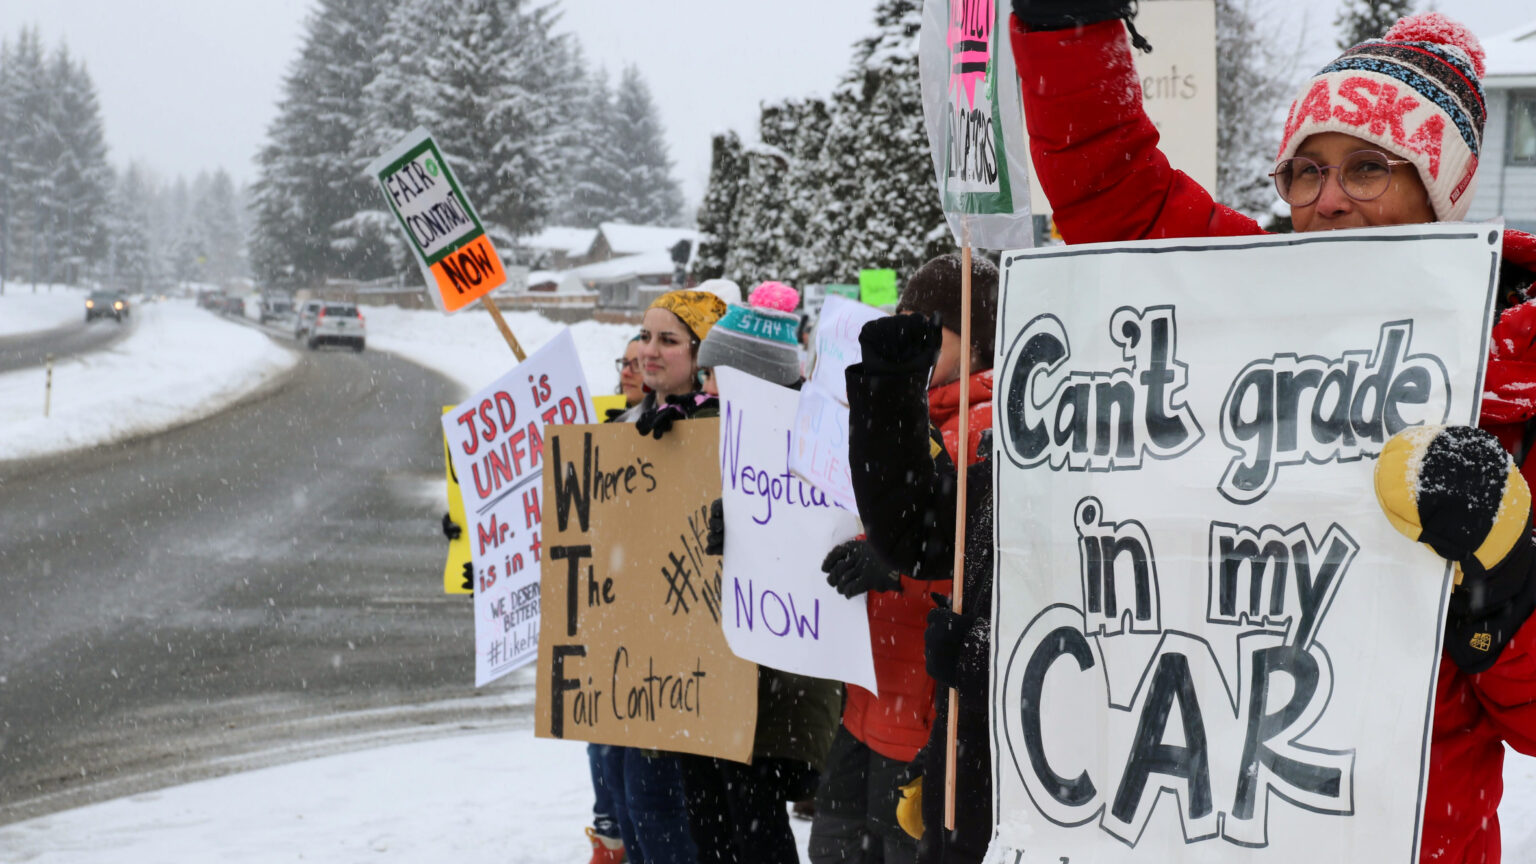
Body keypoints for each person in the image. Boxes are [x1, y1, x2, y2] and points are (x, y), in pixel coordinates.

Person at [1007, 5, 1536, 861]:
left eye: (1369, 168)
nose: (1328, 200)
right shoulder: (1238, 301)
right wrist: (1071, 28)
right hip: (1211, 818)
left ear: (1439, 193)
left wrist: (1504, 584)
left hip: (1407, 839)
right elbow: (1115, 192)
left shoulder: (1518, 385)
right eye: (1304, 171)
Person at [834, 253, 999, 864]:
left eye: (932, 325)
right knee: (838, 847)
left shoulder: (989, 433)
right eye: (905, 317)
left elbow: (975, 573)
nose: (913, 334)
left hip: (925, 711)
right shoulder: (904, 414)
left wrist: (899, 570)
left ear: (980, 341)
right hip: (870, 695)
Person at [685, 281, 843, 864]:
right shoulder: (717, 435)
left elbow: (822, 542)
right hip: (723, 680)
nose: (702, 389)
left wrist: (753, 527)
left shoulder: (812, 438)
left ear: (746, 377)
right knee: (715, 829)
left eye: (711, 376)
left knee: (756, 832)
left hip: (781, 685)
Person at [611, 288, 729, 864]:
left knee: (666, 815)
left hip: (691, 666)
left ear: (699, 352)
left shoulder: (721, 425)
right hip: (630, 653)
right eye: (645, 335)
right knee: (631, 808)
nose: (648, 350)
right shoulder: (625, 423)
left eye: (668, 339)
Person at [616, 336, 645, 408]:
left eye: (638, 364)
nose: (625, 372)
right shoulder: (598, 415)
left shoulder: (675, 418)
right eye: (625, 363)